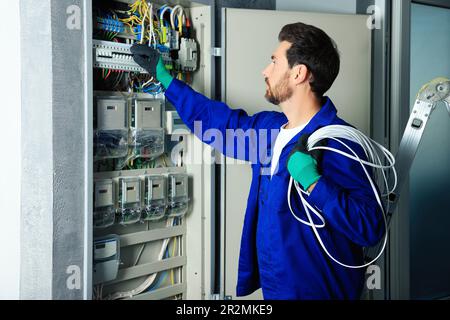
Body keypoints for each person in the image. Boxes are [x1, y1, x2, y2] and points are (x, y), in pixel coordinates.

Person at [131, 22, 385, 300]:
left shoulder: (338, 142)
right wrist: (167, 81)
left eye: (274, 62)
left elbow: (370, 228)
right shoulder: (270, 131)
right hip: (276, 288)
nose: (266, 70)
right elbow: (220, 123)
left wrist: (315, 184)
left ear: (299, 73)